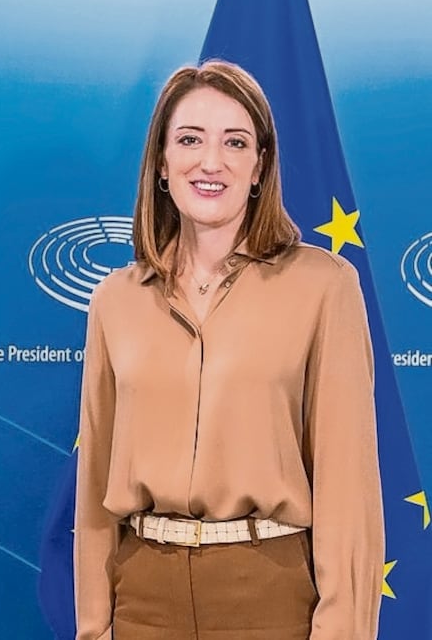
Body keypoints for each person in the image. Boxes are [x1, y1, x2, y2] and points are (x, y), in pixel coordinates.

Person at [73, 60, 383, 639]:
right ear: (162, 163)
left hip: (272, 597)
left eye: (234, 142)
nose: (210, 161)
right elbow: (94, 488)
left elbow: (349, 487)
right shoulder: (114, 300)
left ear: (259, 166)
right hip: (142, 600)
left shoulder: (325, 286)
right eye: (190, 139)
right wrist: (94, 626)